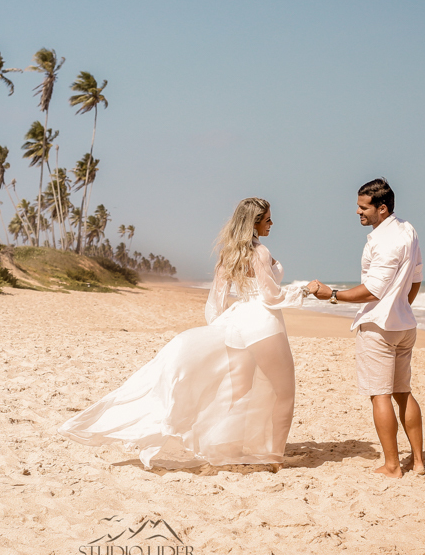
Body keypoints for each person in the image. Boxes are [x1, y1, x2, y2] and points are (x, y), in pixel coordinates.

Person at [59, 197, 306, 470]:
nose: (272, 223)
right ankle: (274, 460)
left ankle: (231, 449)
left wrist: (221, 329)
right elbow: (271, 296)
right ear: (254, 222)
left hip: (238, 325)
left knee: (239, 391)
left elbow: (216, 301)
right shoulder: (259, 253)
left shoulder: (229, 253)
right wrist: (306, 290)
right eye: (268, 219)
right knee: (284, 392)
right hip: (263, 324)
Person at [307, 178, 425, 478]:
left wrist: (331, 295)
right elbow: (416, 278)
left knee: (380, 395)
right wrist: (402, 305)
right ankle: (419, 462)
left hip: (379, 327)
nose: (358, 212)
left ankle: (392, 465)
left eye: (363, 208)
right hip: (403, 324)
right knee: (403, 392)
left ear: (381, 209)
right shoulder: (407, 229)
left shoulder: (385, 241)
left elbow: (373, 290)